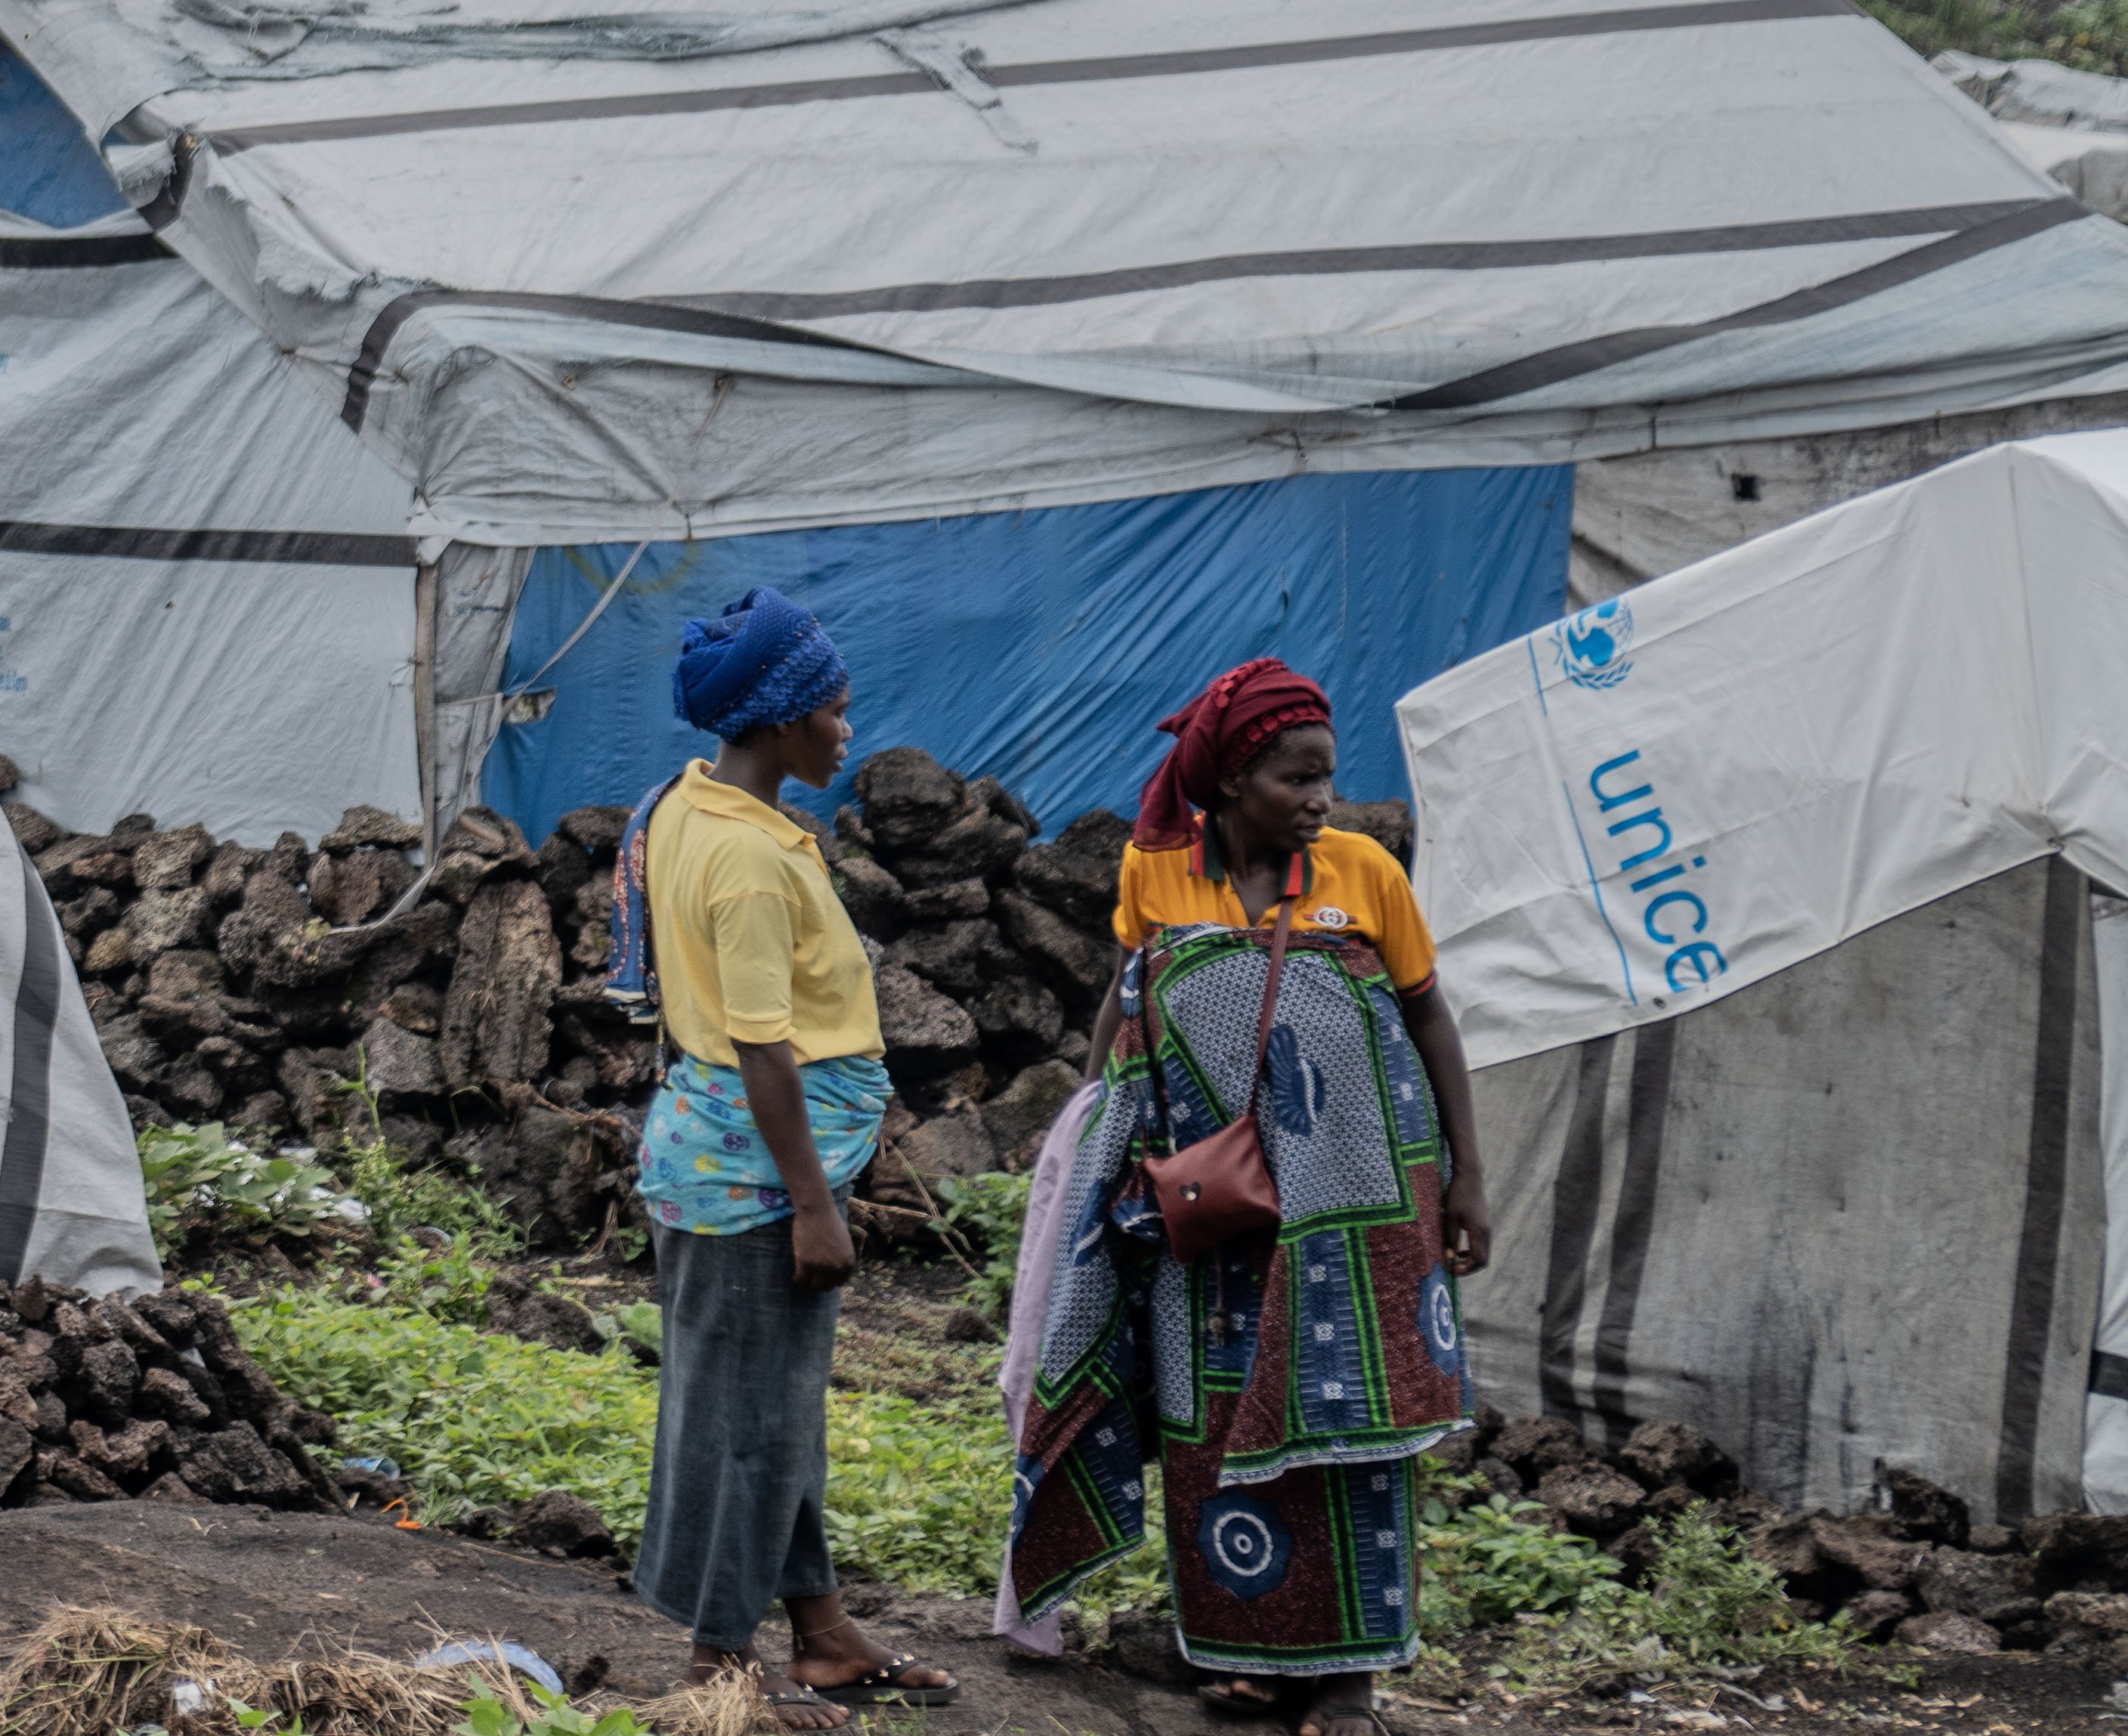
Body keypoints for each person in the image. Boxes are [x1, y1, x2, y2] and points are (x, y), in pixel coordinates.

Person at [1010, 660, 1495, 1726]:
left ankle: (1349, 1680)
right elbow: (1129, 1008)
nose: (1322, 799)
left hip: (1356, 1214)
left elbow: (1427, 1020)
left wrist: (1467, 1176)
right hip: (1211, 1217)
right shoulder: (1158, 875)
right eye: (1297, 779)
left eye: (1327, 776)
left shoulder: (1364, 873)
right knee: (1214, 1418)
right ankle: (1253, 1652)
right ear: (1230, 782)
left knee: (1344, 1421)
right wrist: (1086, 1141)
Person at [627, 591, 948, 1726]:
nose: (848, 732)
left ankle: (818, 1631)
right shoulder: (746, 863)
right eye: (835, 713)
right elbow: (764, 1047)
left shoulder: (692, 805)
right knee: (741, 1419)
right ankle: (719, 1662)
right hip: (756, 1177)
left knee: (776, 1405)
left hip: (726, 1156)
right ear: (776, 725)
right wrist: (816, 1206)